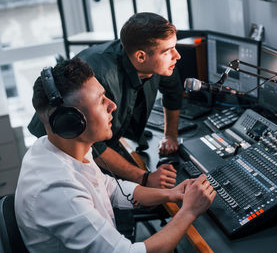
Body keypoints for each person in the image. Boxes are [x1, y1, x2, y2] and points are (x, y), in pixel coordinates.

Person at [15, 58, 215, 253]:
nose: (113, 106)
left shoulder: (55, 148)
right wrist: (189, 211)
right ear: (71, 123)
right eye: (101, 101)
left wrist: (171, 194)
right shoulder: (59, 192)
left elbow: (110, 188)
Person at [28, 12, 183, 189]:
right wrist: (144, 178)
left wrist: (170, 135)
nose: (177, 56)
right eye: (167, 51)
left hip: (96, 141)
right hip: (67, 147)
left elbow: (173, 93)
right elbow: (90, 143)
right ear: (141, 56)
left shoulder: (160, 63)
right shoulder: (99, 76)